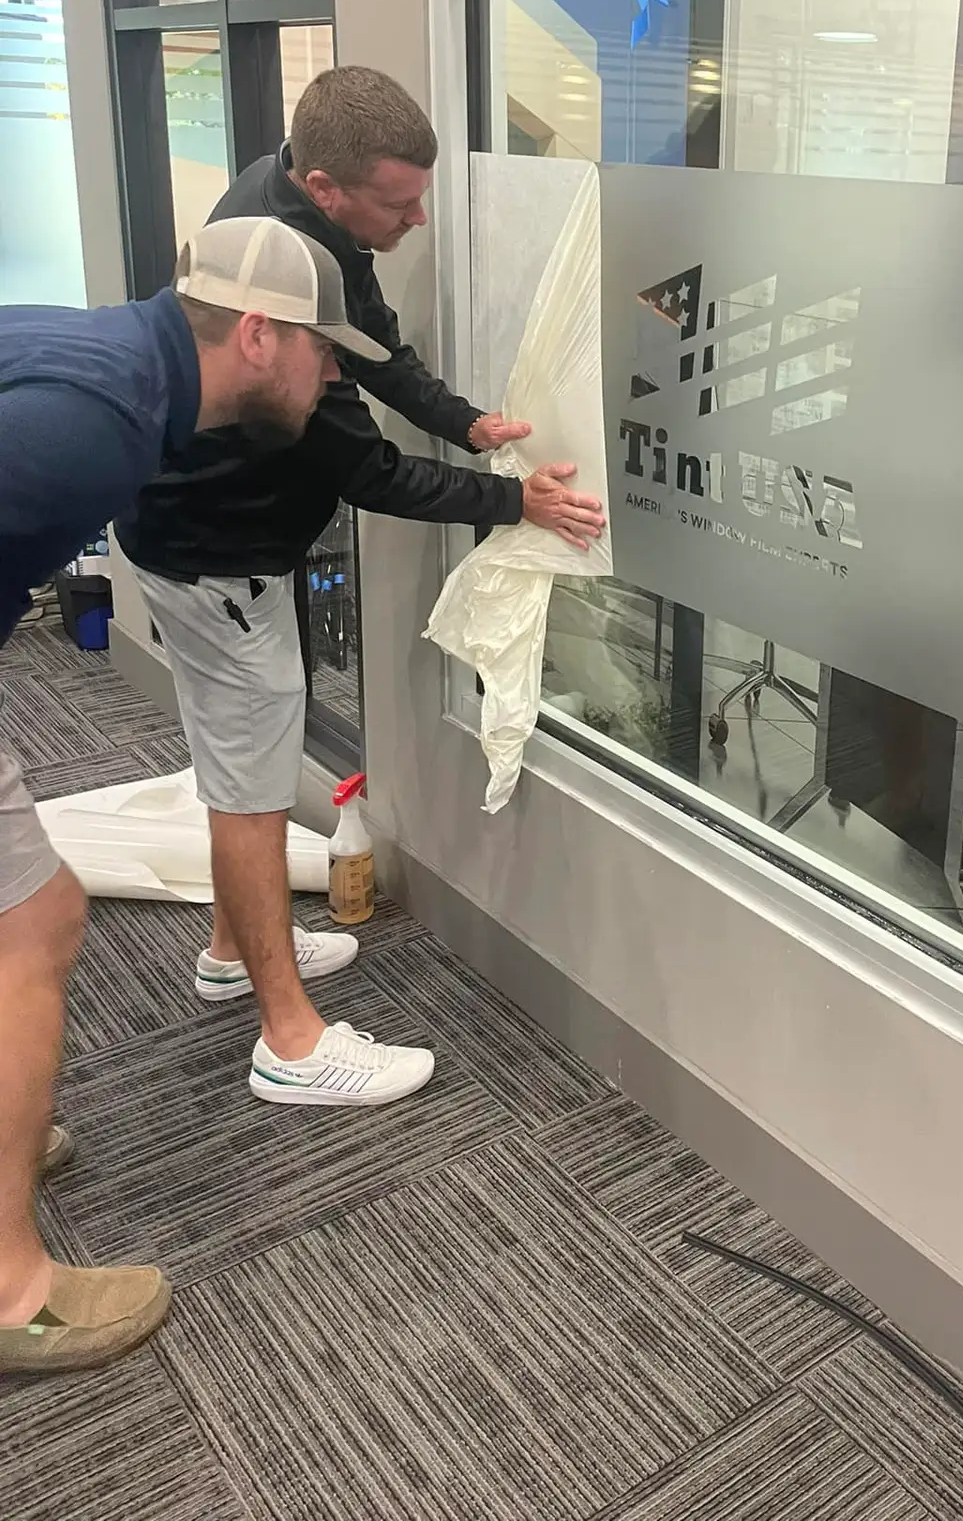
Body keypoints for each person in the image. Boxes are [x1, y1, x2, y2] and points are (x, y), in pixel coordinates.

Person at [114, 67, 606, 1112]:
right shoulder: (280, 277)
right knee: (252, 791)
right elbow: (369, 473)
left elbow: (376, 344)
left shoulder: (307, 220)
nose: (418, 220)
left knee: (235, 763)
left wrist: (468, 422)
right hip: (218, 555)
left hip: (202, 545)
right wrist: (516, 504)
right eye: (400, 203)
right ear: (327, 187)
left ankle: (233, 952)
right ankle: (289, 1043)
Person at [0, 215, 394, 1373]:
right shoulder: (96, 427)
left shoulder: (114, 360)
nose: (332, 380)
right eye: (324, 352)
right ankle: (13, 1290)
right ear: (260, 336)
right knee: (37, 925)